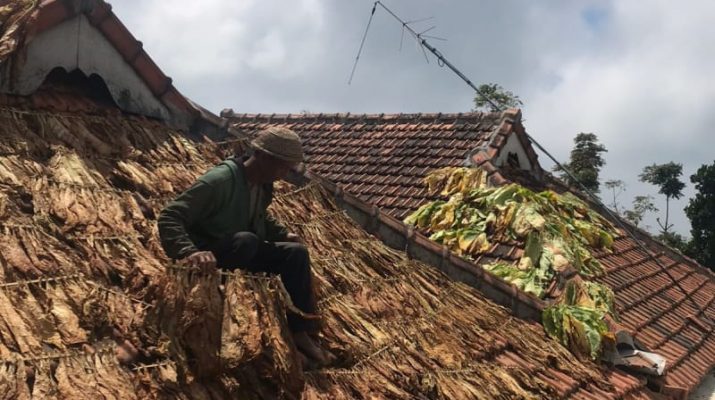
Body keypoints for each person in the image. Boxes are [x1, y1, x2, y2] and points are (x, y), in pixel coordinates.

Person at [157, 127, 332, 365]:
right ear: (263, 157)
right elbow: (170, 215)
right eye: (282, 166)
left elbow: (256, 215)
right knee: (246, 241)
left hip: (242, 250)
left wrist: (283, 234)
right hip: (212, 256)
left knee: (295, 253)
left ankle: (300, 331)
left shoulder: (262, 184)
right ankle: (226, 309)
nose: (284, 174)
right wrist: (190, 251)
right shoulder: (220, 181)